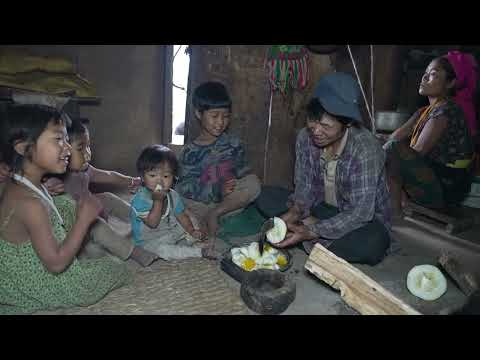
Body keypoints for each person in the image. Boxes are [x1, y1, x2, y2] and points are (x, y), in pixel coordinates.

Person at [0, 105, 131, 314]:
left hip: (23, 270)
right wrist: (83, 220)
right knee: (116, 268)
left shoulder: (19, 183)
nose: (68, 148)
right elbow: (56, 265)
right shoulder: (29, 204)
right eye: (58, 139)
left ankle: (83, 248)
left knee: (64, 203)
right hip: (43, 282)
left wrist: (46, 189)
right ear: (23, 147)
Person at [257, 72, 392, 266]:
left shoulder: (366, 149)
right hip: (321, 209)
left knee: (372, 244)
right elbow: (303, 187)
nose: (316, 131)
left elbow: (360, 213)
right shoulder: (305, 137)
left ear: (347, 124)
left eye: (326, 126)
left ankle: (307, 235)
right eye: (313, 120)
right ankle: (308, 233)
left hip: (360, 220)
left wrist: (313, 230)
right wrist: (295, 212)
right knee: (264, 195)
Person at [58, 116, 158, 267]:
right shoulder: (56, 177)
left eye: (88, 146)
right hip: (76, 227)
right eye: (80, 148)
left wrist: (131, 180)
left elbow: (109, 175)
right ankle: (133, 252)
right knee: (97, 227)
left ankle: (141, 221)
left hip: (90, 212)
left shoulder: (86, 170)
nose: (87, 153)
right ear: (63, 150)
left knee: (107, 197)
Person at [384, 54, 475, 218]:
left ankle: (394, 210)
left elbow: (414, 152)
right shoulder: (424, 111)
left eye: (433, 74)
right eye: (425, 72)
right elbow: (394, 138)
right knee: (386, 146)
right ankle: (396, 204)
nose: (425, 77)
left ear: (451, 83)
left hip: (447, 189)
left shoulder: (447, 110)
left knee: (392, 151)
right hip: (432, 179)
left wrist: (385, 151)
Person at [176, 81, 261, 255]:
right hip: (200, 204)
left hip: (227, 203)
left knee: (253, 183)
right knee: (177, 200)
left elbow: (244, 174)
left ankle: (215, 215)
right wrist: (216, 189)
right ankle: (207, 222)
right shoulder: (189, 151)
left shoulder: (234, 144)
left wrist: (231, 185)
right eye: (214, 116)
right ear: (199, 113)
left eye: (226, 116)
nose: (220, 122)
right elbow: (186, 187)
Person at [130, 144, 213, 260]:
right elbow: (152, 224)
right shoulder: (139, 200)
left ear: (173, 178)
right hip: (149, 240)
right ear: (143, 177)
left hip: (169, 231)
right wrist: (157, 201)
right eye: (152, 175)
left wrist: (191, 230)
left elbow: (181, 215)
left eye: (165, 176)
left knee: (191, 219)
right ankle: (197, 252)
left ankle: (189, 240)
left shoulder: (172, 195)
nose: (159, 181)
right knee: (162, 251)